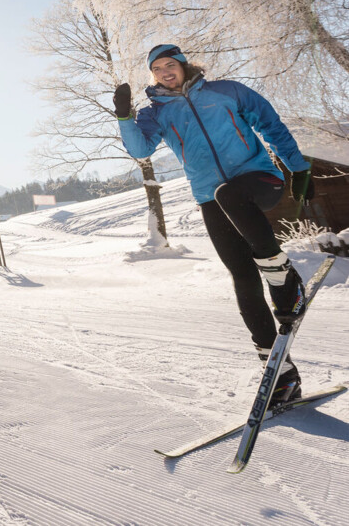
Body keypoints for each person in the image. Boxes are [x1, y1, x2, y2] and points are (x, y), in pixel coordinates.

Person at [114, 44, 314, 404]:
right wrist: (124, 117)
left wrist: (297, 166)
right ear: (153, 75)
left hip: (259, 180)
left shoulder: (225, 91)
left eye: (169, 64)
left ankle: (285, 279)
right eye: (157, 68)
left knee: (230, 195)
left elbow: (269, 123)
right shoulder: (156, 112)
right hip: (211, 197)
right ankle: (280, 374)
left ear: (183, 65)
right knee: (242, 276)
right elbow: (140, 150)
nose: (164, 72)